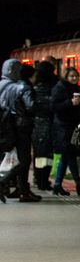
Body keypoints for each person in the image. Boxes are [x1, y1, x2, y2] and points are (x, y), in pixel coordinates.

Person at [0, 59, 41, 202]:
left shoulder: (4, 85)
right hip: (21, 126)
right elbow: (31, 106)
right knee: (24, 159)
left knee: (11, 157)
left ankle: (21, 189)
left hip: (6, 126)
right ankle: (7, 183)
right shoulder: (19, 87)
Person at [50, 65, 80, 196]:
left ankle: (57, 185)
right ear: (66, 76)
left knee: (66, 156)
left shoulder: (76, 88)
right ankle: (79, 184)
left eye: (76, 76)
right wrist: (70, 103)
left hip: (71, 126)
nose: (74, 78)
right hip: (63, 127)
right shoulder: (59, 88)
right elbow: (53, 106)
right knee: (69, 155)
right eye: (71, 76)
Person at [29, 61, 56, 192]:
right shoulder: (54, 87)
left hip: (36, 124)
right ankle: (44, 180)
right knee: (48, 155)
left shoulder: (34, 88)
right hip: (50, 123)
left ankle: (38, 178)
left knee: (38, 154)